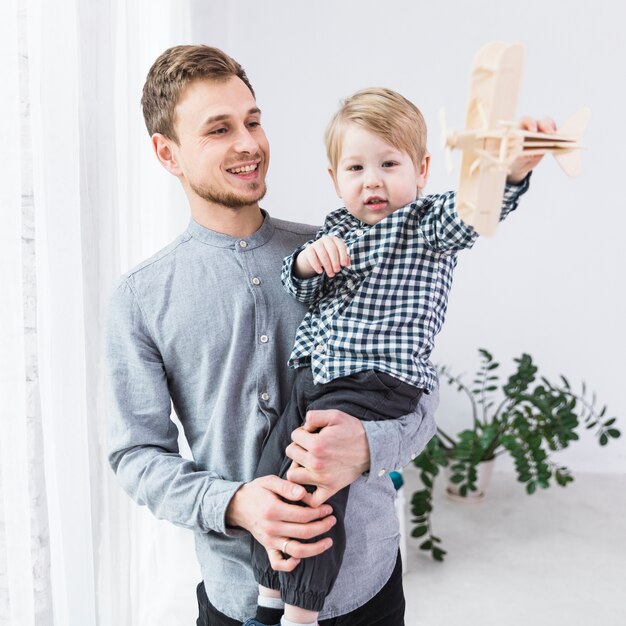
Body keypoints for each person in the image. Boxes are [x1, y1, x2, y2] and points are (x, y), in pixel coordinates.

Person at [106, 45, 442, 626]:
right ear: (168, 154)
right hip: (239, 597)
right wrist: (234, 502)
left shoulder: (342, 253)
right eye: (218, 129)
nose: (248, 143)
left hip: (370, 588)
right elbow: (135, 454)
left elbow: (421, 390)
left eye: (253, 121)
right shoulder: (140, 298)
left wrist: (367, 446)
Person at [247, 88, 554, 625]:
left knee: (317, 488)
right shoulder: (335, 231)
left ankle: (301, 613)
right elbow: (300, 291)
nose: (373, 180)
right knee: (272, 472)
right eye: (356, 167)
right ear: (335, 178)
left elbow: (474, 213)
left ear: (422, 169)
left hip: (373, 380)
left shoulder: (425, 225)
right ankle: (269, 597)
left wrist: (507, 176)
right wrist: (303, 265)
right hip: (314, 377)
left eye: (390, 164)